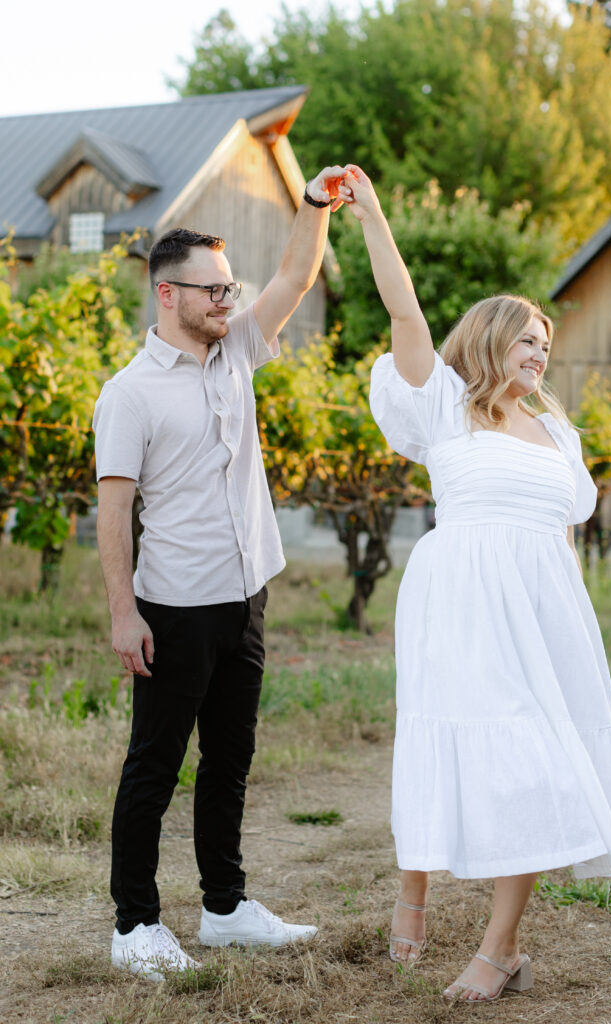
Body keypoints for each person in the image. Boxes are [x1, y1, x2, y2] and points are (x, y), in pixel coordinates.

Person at [336, 166, 611, 1003]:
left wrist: (547, 405)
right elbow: (403, 310)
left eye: (545, 344)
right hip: (460, 599)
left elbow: (565, 517)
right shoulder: (444, 406)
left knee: (541, 762)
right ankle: (413, 892)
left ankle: (499, 947)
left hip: (542, 606)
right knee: (444, 736)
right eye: (525, 340)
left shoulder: (557, 429)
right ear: (487, 341)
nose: (539, 353)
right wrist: (371, 216)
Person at [93, 166, 348, 980]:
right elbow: (111, 514)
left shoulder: (237, 346)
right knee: (155, 765)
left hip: (246, 595)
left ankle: (226, 908)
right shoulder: (127, 396)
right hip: (174, 606)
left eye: (228, 287)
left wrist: (312, 205)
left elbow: (293, 275)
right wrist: (122, 612)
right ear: (167, 295)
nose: (227, 301)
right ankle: (134, 926)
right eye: (211, 290)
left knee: (230, 759)